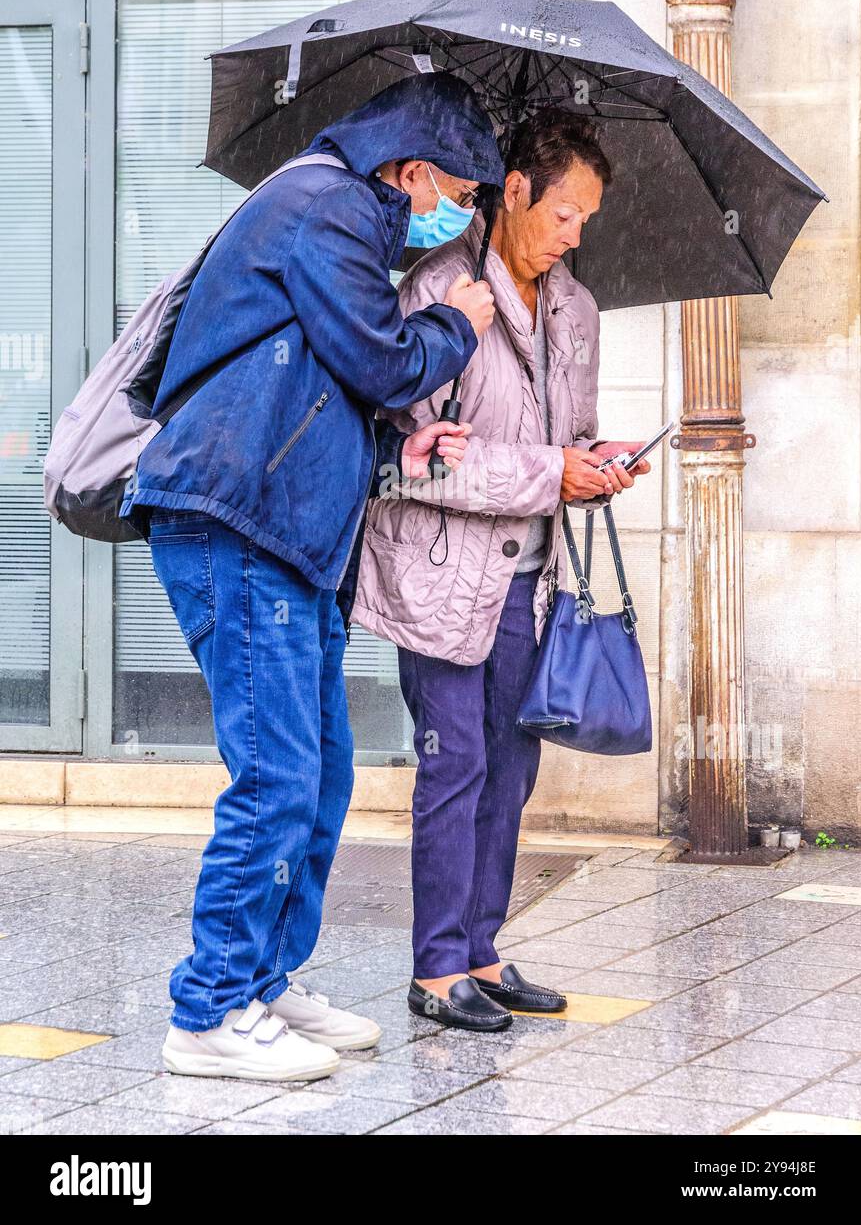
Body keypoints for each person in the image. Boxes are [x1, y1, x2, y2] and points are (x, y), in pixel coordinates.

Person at [120, 73, 503, 1079]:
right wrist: (458, 321)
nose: (458, 218)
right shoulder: (326, 204)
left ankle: (262, 981)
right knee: (278, 772)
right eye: (458, 194)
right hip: (239, 521)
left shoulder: (346, 216)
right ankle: (205, 1011)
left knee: (320, 771)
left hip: (289, 529)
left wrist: (400, 458)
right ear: (411, 171)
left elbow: (323, 388)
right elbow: (380, 362)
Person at [352, 109, 650, 1032]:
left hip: (531, 578)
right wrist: (546, 471)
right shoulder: (438, 292)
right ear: (513, 189)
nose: (573, 236)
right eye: (563, 214)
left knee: (512, 773)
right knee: (458, 767)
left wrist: (594, 464)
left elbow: (557, 443)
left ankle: (481, 951)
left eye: (586, 223)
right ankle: (436, 969)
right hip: (439, 579)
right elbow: (414, 460)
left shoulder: (577, 309)